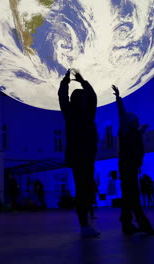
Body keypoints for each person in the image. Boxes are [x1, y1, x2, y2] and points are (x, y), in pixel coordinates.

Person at [58, 69, 100, 238]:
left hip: (86, 155)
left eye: (85, 98)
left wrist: (83, 82)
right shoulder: (71, 113)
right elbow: (62, 97)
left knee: (87, 189)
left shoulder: (87, 113)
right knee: (83, 190)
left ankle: (85, 223)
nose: (85, 100)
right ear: (77, 101)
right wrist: (66, 82)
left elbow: (93, 97)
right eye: (82, 98)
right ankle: (84, 224)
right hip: (79, 156)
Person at [113, 85, 154, 235]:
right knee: (132, 196)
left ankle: (126, 223)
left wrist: (142, 130)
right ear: (131, 122)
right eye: (136, 121)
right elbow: (122, 116)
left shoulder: (133, 133)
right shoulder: (125, 131)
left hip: (129, 167)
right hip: (128, 167)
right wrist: (119, 100)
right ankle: (142, 224)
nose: (138, 123)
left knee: (128, 196)